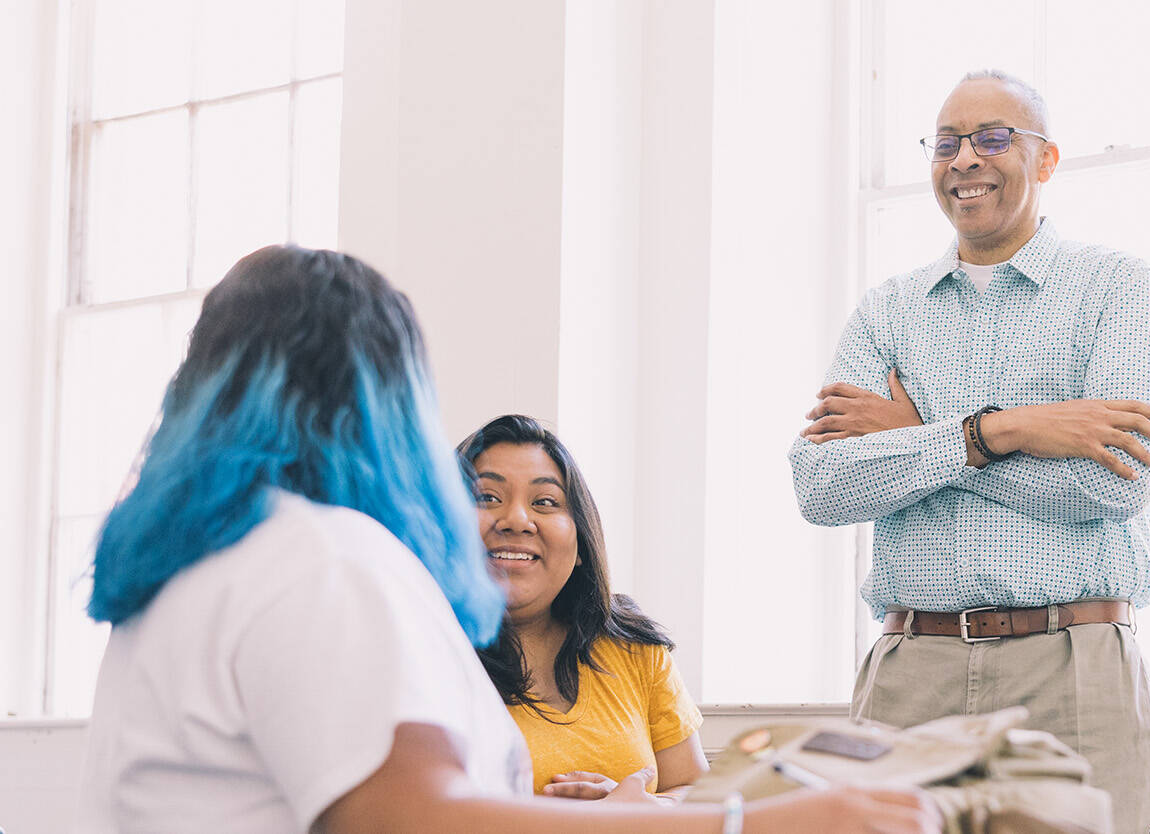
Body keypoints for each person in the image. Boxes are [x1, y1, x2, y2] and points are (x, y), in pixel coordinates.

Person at [77, 244, 940, 834]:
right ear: (384, 400)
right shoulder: (322, 560)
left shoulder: (194, 566)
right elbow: (419, 819)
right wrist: (749, 823)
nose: (513, 520)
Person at [787, 69, 1150, 834]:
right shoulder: (885, 313)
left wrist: (913, 440)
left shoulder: (1118, 288)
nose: (965, 158)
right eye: (947, 142)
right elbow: (822, 486)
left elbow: (1115, 487)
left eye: (993, 138)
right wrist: (1003, 431)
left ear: (1047, 160)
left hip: (1073, 665)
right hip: (911, 671)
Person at [458, 415, 707, 803]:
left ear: (581, 542)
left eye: (545, 502)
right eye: (487, 497)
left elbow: (700, 793)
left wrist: (646, 810)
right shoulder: (420, 654)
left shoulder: (634, 647)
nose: (518, 520)